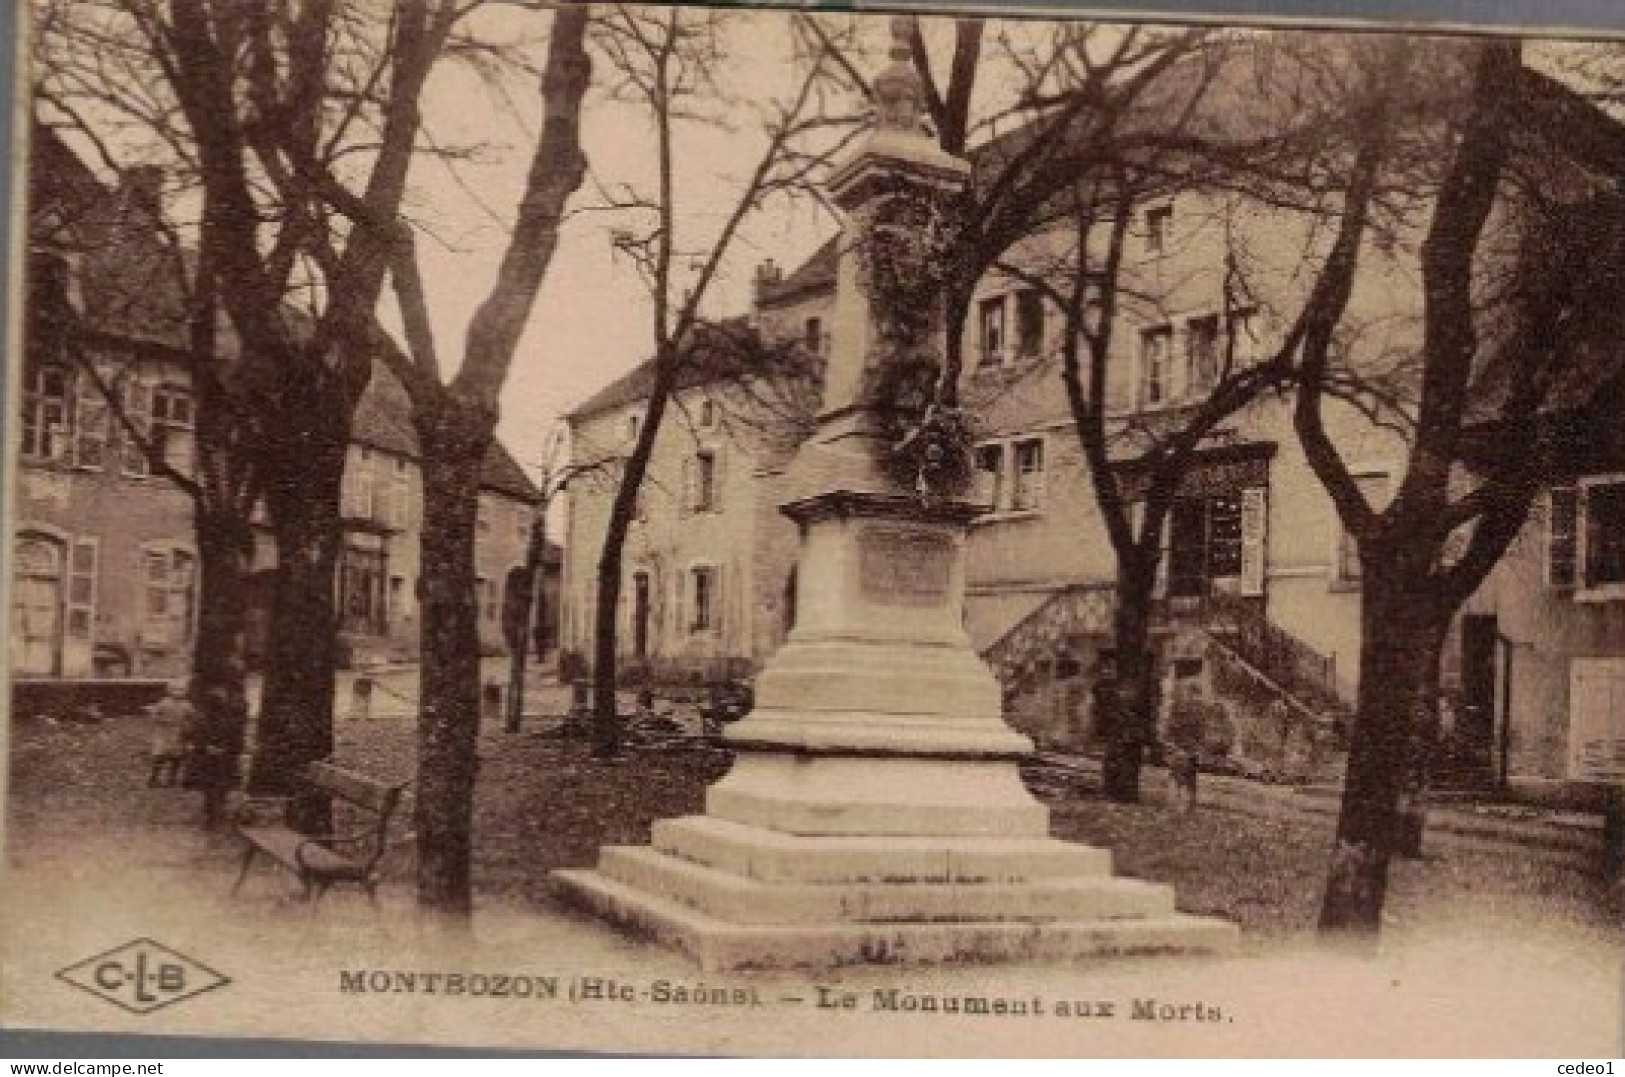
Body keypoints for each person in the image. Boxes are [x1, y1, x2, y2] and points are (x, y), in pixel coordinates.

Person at [147, 681, 196, 788]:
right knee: (160, 756)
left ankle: (171, 779)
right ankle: (153, 778)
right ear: (169, 691)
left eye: (182, 690)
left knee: (177, 757)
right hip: (164, 733)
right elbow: (154, 715)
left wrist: (188, 726)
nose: (179, 692)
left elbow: (192, 717)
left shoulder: (187, 705)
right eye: (176, 690)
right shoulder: (164, 703)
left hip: (179, 734)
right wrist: (161, 720)